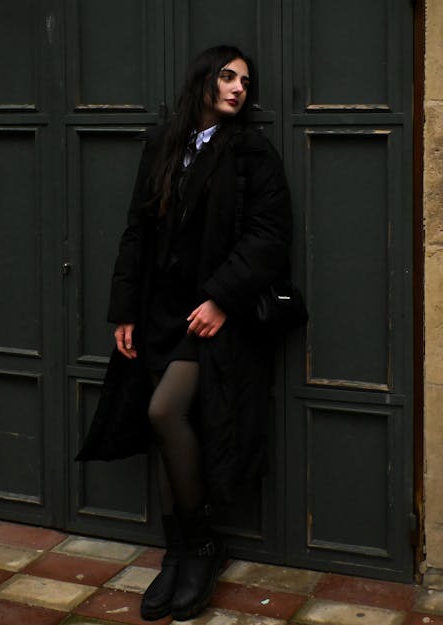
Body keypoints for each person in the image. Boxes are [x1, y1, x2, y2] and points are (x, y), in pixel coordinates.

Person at [76, 45, 292, 621]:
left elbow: (268, 239)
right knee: (170, 429)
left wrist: (222, 298)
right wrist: (124, 310)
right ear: (202, 80)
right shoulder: (163, 146)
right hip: (158, 316)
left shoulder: (252, 153)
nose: (238, 88)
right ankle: (178, 553)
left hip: (210, 319)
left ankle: (201, 546)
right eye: (227, 76)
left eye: (245, 80)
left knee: (165, 413)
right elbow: (136, 233)